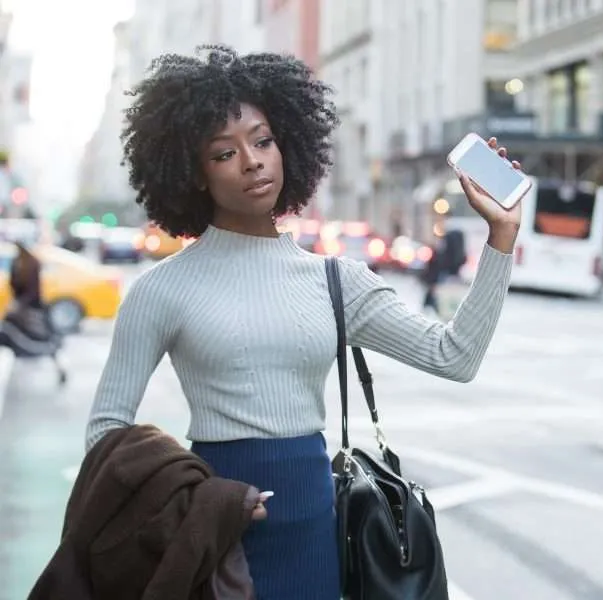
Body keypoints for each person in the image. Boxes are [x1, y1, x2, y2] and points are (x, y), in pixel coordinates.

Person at [84, 45, 522, 599]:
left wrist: (501, 237)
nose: (252, 161)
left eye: (263, 140)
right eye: (224, 153)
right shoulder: (160, 289)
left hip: (316, 530)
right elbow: (106, 433)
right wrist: (197, 500)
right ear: (192, 172)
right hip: (215, 535)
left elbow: (453, 357)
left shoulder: (336, 280)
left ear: (286, 143)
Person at [1, 242, 67, 384]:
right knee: (9, 334)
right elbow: (13, 285)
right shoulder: (18, 263)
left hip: (31, 309)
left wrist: (19, 305)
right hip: (22, 309)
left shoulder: (32, 264)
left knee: (42, 339)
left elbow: (33, 290)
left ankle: (59, 369)